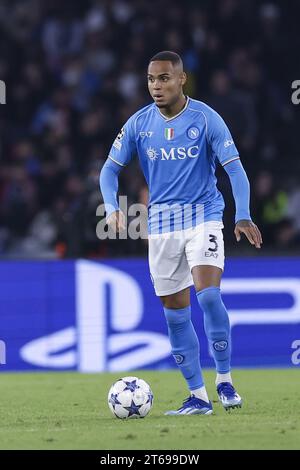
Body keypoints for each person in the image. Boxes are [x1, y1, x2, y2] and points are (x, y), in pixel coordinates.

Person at [100, 51, 262, 415]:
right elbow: (108, 171)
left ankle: (225, 380)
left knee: (207, 296)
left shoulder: (206, 119)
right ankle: (198, 397)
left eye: (164, 78)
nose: (157, 86)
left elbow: (235, 170)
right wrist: (112, 208)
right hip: (161, 225)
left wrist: (244, 214)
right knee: (175, 314)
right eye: (151, 79)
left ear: (181, 79)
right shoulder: (139, 124)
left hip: (204, 216)